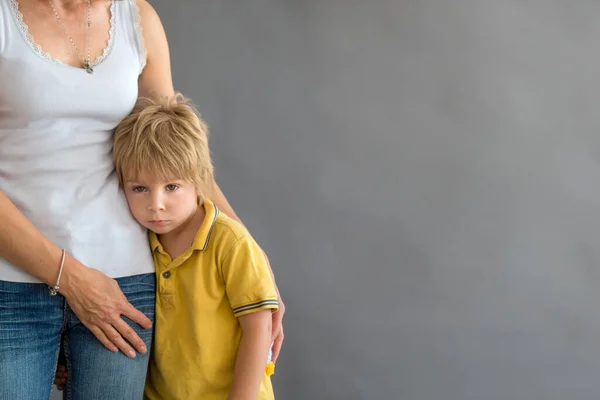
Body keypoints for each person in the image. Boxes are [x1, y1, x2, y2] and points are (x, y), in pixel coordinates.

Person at [0, 1, 284, 398]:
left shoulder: (136, 18)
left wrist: (250, 253)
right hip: (12, 279)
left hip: (124, 280)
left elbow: (178, 153)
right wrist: (70, 278)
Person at [121, 94, 277, 399]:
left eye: (172, 187)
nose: (156, 205)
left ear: (199, 181)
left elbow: (259, 330)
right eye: (139, 188)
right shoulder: (141, 242)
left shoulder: (229, 243)